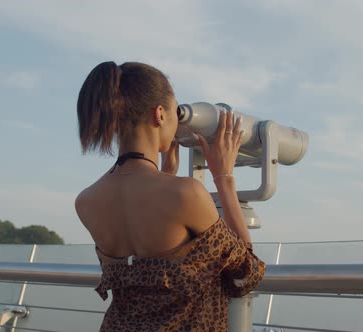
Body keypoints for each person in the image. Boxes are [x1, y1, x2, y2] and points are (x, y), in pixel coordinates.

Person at [75, 61, 266, 331]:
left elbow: (141, 275)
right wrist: (224, 177)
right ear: (160, 114)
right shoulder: (186, 194)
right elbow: (245, 273)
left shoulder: (87, 201)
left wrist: (166, 173)